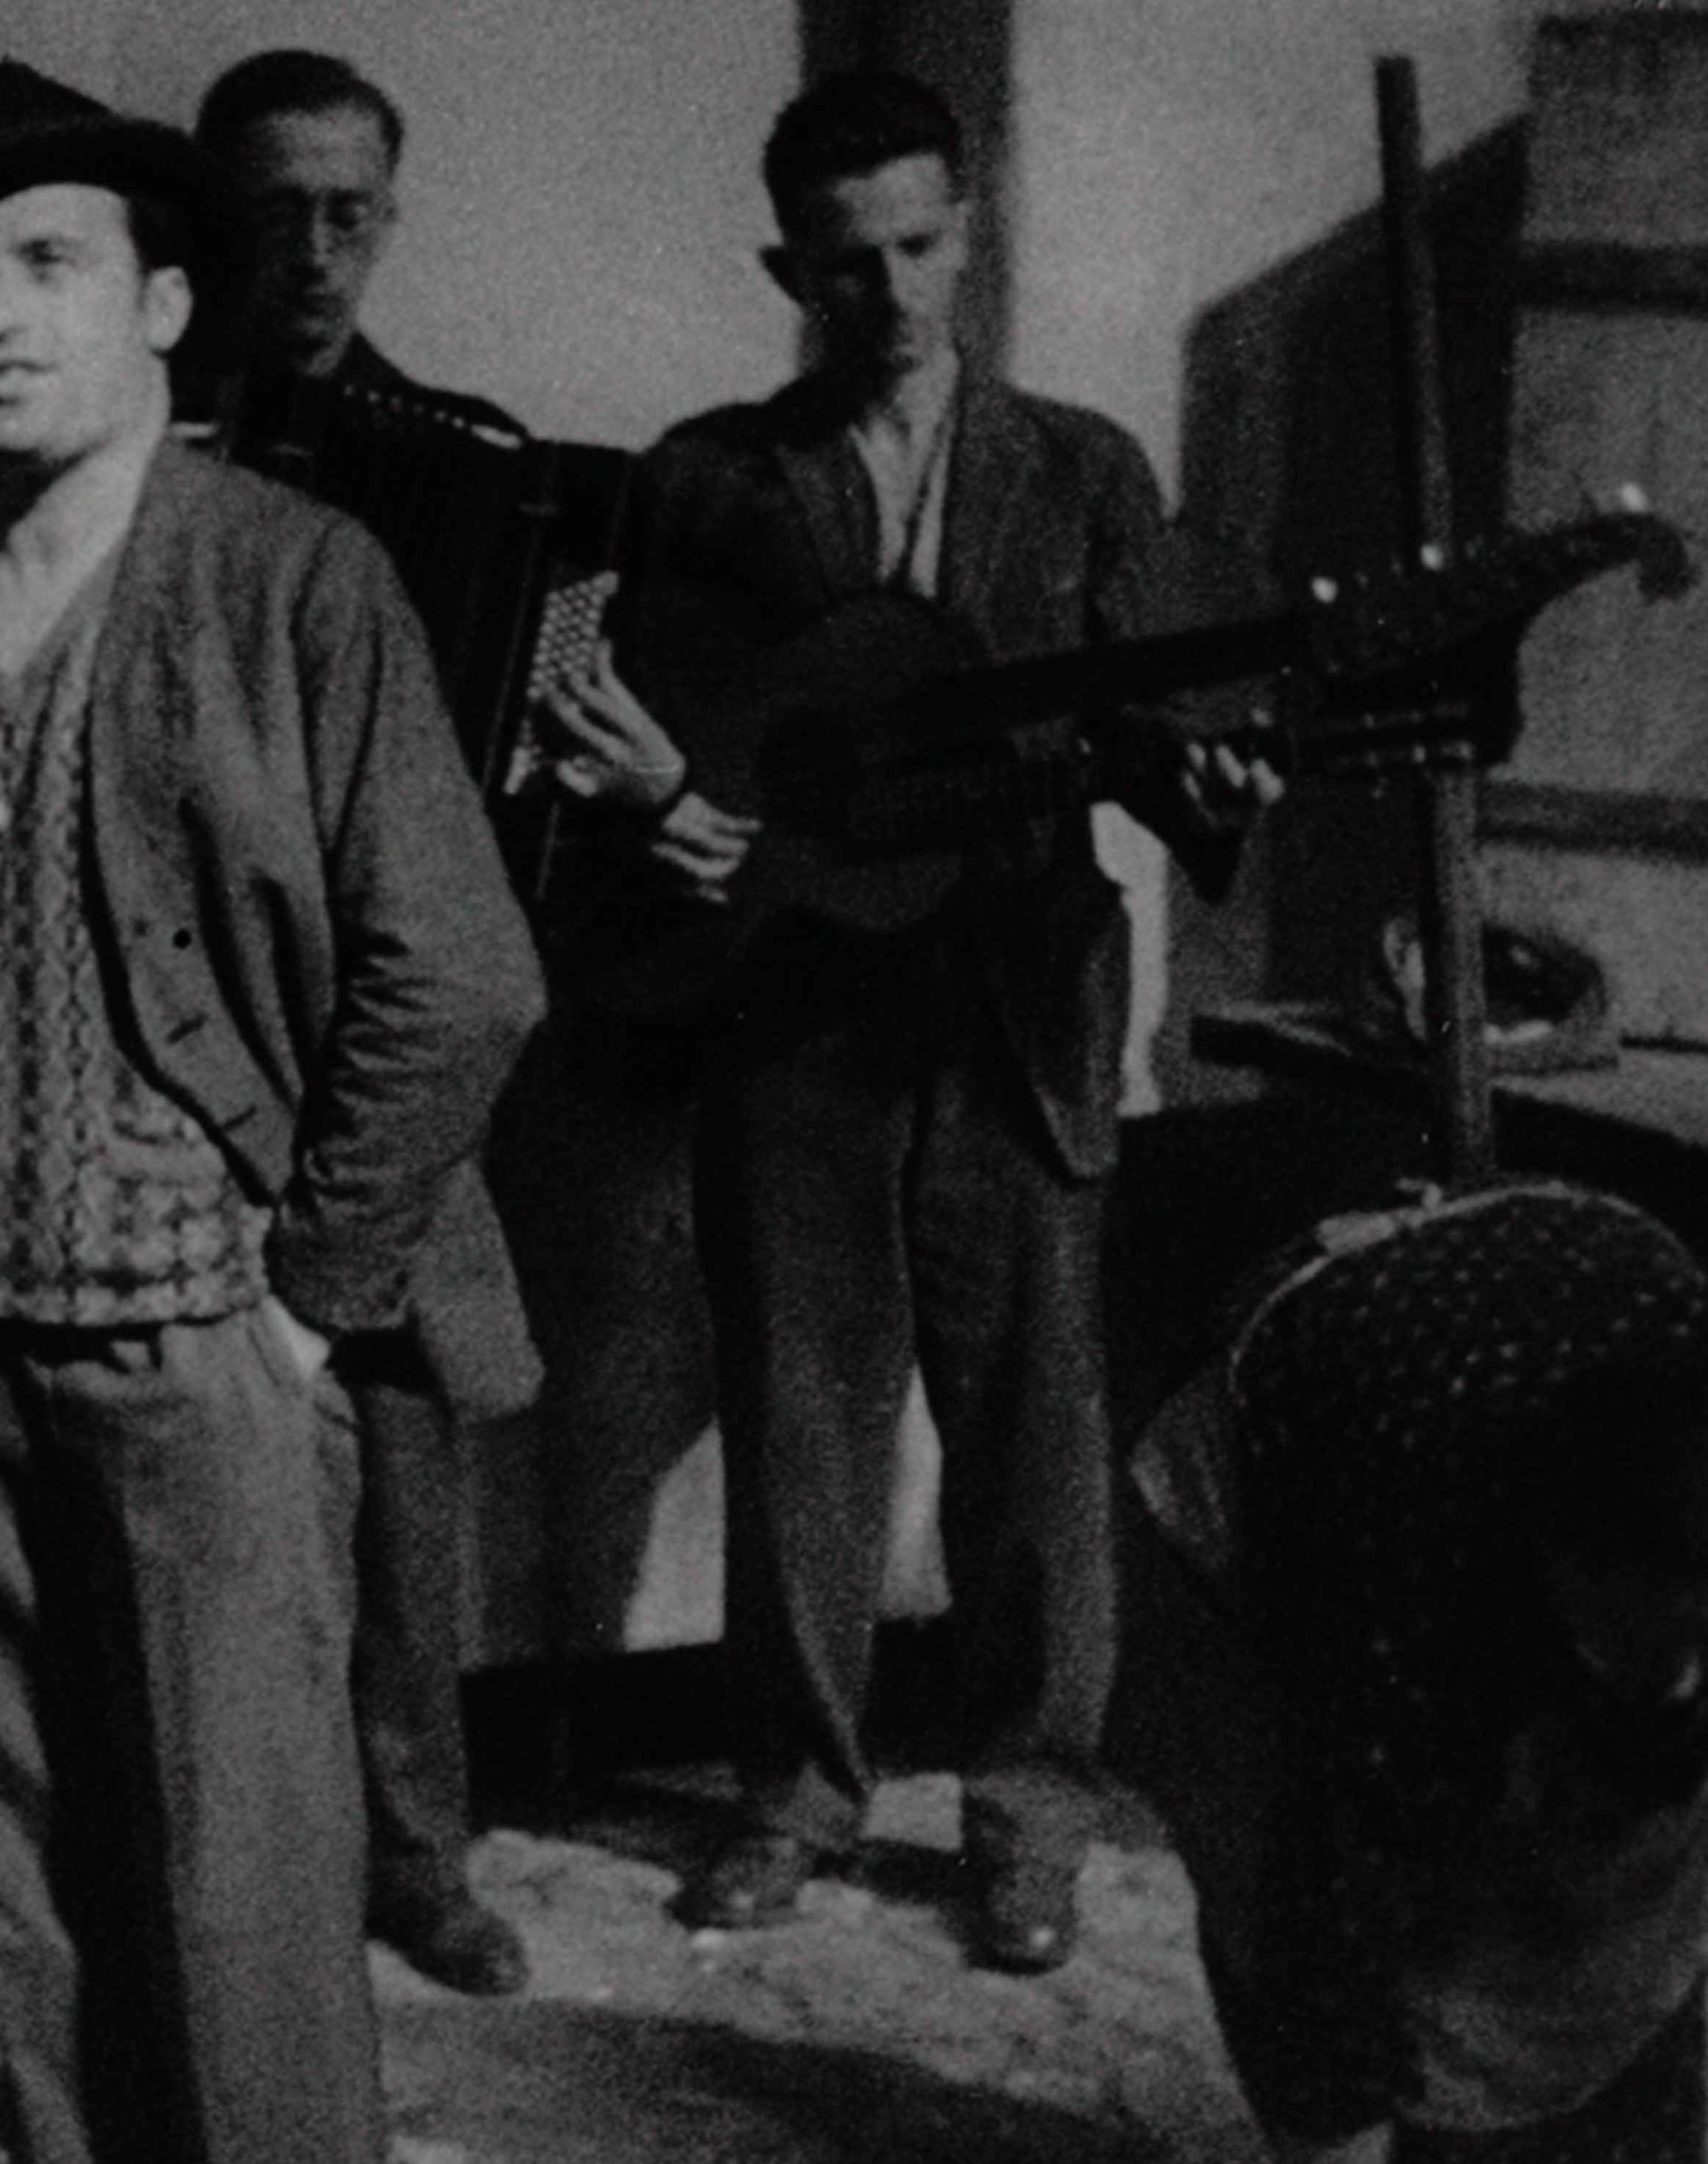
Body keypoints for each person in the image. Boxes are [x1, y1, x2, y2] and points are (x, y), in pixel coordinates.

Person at [0, 61, 541, 2164]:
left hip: (196, 1348)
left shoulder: (296, 580)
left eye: (48, 265)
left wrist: (302, 1302)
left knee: (241, 1902)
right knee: (28, 1871)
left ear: (167, 306)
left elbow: (463, 974)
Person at [532, 66, 1274, 1968]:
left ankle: (1029, 1816)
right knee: (804, 1418)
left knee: (1033, 1436)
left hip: (1015, 1002)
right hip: (786, 1008)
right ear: (787, 268)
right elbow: (611, 732)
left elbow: (1170, 734)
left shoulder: (1083, 471)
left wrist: (1215, 781)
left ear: (971, 231)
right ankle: (793, 1797)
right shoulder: (706, 479)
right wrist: (659, 807)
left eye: (921, 246)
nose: (890, 294)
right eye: (846, 261)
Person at [1106, 1182, 1708, 2164]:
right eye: (1641, 1638)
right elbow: (1321, 1934)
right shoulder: (1415, 1573)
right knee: (1317, 1901)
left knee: (1615, 1885)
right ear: (1558, 1557)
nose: (1682, 1679)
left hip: (1558, 1258)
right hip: (1270, 1443)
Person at [192, 45, 538, 2000]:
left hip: (375, 1029)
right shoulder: (134, 437)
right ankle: (240, 1864)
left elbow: (495, 832)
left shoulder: (468, 464)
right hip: (194, 1021)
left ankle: (417, 1854)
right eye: (273, 217)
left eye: (348, 215)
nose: (314, 256)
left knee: (403, 1464)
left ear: (388, 221)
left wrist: (567, 759)